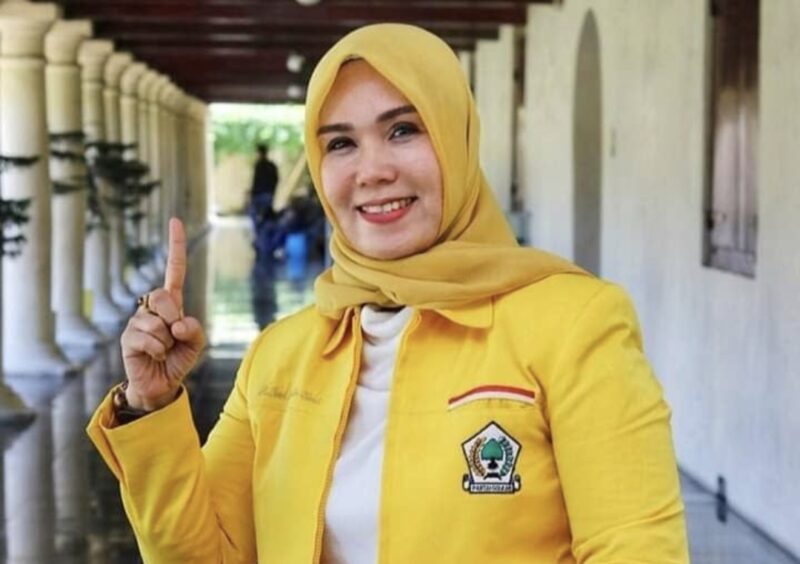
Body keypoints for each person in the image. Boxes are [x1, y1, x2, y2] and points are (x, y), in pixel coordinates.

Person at [87, 24, 690, 563]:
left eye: (403, 130)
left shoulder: (573, 325)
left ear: (456, 139)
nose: (372, 170)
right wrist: (152, 406)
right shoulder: (280, 357)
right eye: (340, 143)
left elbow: (636, 549)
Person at [248, 143, 279, 232]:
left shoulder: (259, 165)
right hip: (268, 194)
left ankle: (260, 234)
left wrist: (252, 195)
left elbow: (255, 182)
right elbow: (276, 180)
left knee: (255, 215)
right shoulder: (272, 166)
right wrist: (272, 192)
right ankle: (264, 234)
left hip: (259, 195)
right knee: (266, 216)